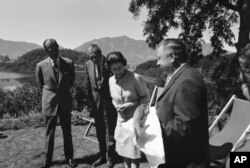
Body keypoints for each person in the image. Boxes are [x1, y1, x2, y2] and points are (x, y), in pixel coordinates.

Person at [155, 38, 209, 168]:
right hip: (176, 156)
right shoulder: (179, 76)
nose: (157, 63)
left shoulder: (187, 81)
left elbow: (186, 125)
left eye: (159, 58)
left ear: (172, 56)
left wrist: (155, 129)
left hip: (187, 161)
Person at [35, 38, 77, 168]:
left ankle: (69, 158)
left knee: (67, 132)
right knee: (49, 133)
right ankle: (47, 160)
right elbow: (40, 84)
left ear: (58, 47)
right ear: (46, 51)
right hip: (49, 103)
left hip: (65, 102)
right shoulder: (40, 66)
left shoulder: (69, 63)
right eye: (51, 49)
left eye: (56, 48)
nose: (54, 51)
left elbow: (71, 81)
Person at [107, 51, 150, 168]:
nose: (118, 72)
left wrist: (131, 104)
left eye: (120, 68)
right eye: (114, 69)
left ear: (124, 64)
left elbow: (146, 98)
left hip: (134, 120)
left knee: (134, 155)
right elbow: (113, 98)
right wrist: (115, 105)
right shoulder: (110, 80)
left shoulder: (136, 78)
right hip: (120, 121)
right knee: (124, 152)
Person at [84, 44, 117, 168]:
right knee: (99, 132)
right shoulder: (88, 64)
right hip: (96, 104)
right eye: (90, 57)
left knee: (110, 132)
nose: (93, 59)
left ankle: (111, 158)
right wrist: (90, 104)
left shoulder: (109, 63)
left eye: (95, 56)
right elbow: (88, 85)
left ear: (100, 53)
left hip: (110, 103)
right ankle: (102, 155)